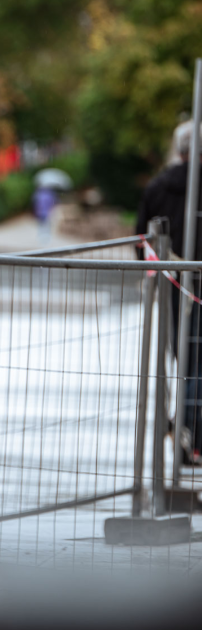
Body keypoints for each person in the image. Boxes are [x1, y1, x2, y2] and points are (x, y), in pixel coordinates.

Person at [136, 120, 202, 465]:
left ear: (179, 149)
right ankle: (189, 433)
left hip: (172, 289)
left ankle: (184, 432)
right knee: (198, 365)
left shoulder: (157, 186)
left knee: (185, 363)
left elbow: (141, 240)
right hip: (198, 288)